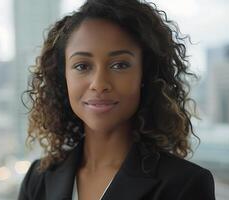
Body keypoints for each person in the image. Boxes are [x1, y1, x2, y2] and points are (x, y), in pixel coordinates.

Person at [18, 0, 215, 199]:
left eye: (120, 65)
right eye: (82, 66)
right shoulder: (38, 178)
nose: (99, 83)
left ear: (145, 75)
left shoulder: (184, 184)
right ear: (63, 78)